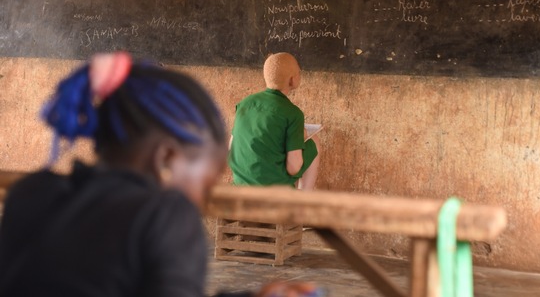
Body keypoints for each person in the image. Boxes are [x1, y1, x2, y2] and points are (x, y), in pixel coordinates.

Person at [0, 52, 319, 297]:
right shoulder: (165, 217)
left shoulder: (32, 193)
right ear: (166, 155)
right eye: (208, 166)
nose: (221, 171)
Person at [229, 53, 320, 190]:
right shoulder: (293, 113)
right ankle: (304, 200)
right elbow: (293, 168)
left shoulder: (245, 103)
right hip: (271, 188)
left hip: (241, 182)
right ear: (292, 80)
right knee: (315, 143)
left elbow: (231, 146)